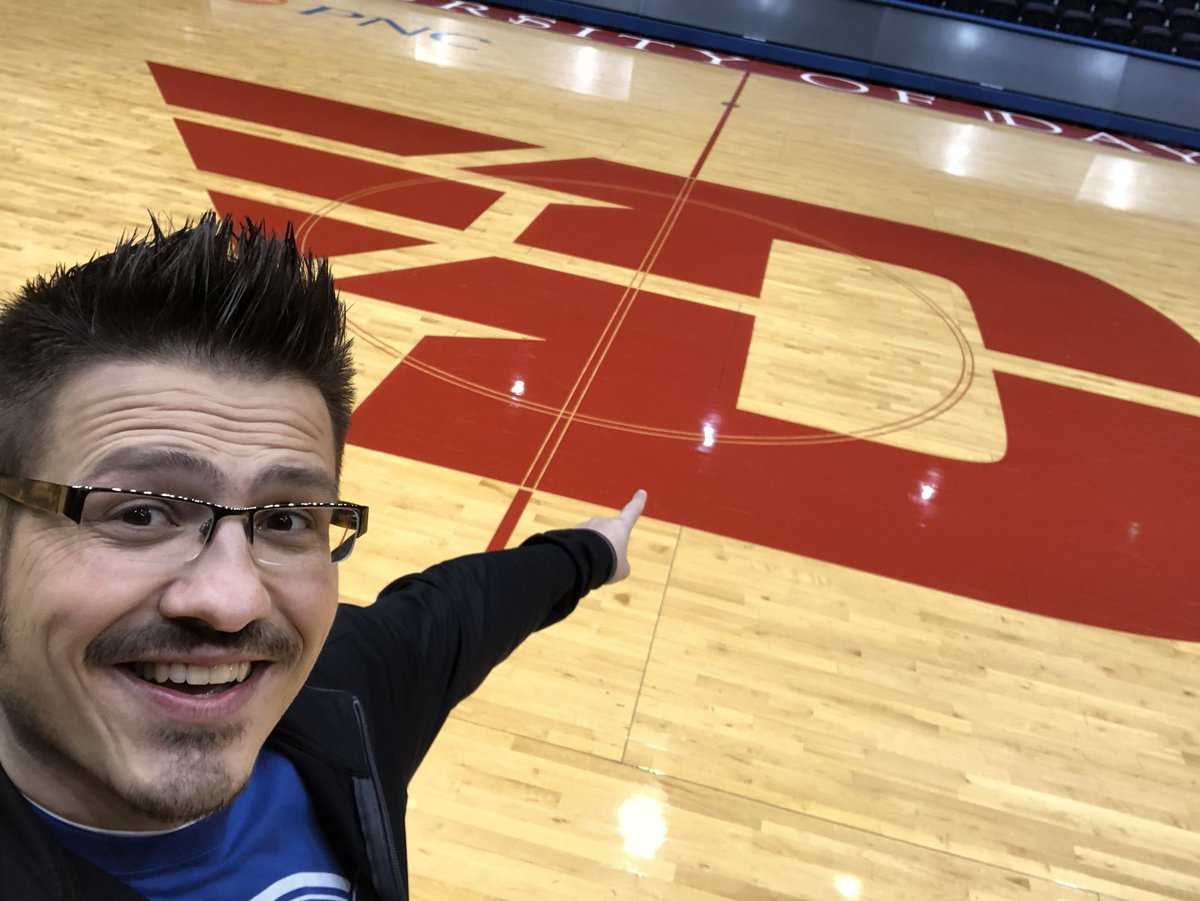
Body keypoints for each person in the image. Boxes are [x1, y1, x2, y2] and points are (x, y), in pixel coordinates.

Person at [0, 213, 646, 900]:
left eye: (284, 519)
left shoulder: (347, 691)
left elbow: (465, 608)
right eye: (140, 513)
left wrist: (592, 552)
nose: (233, 600)